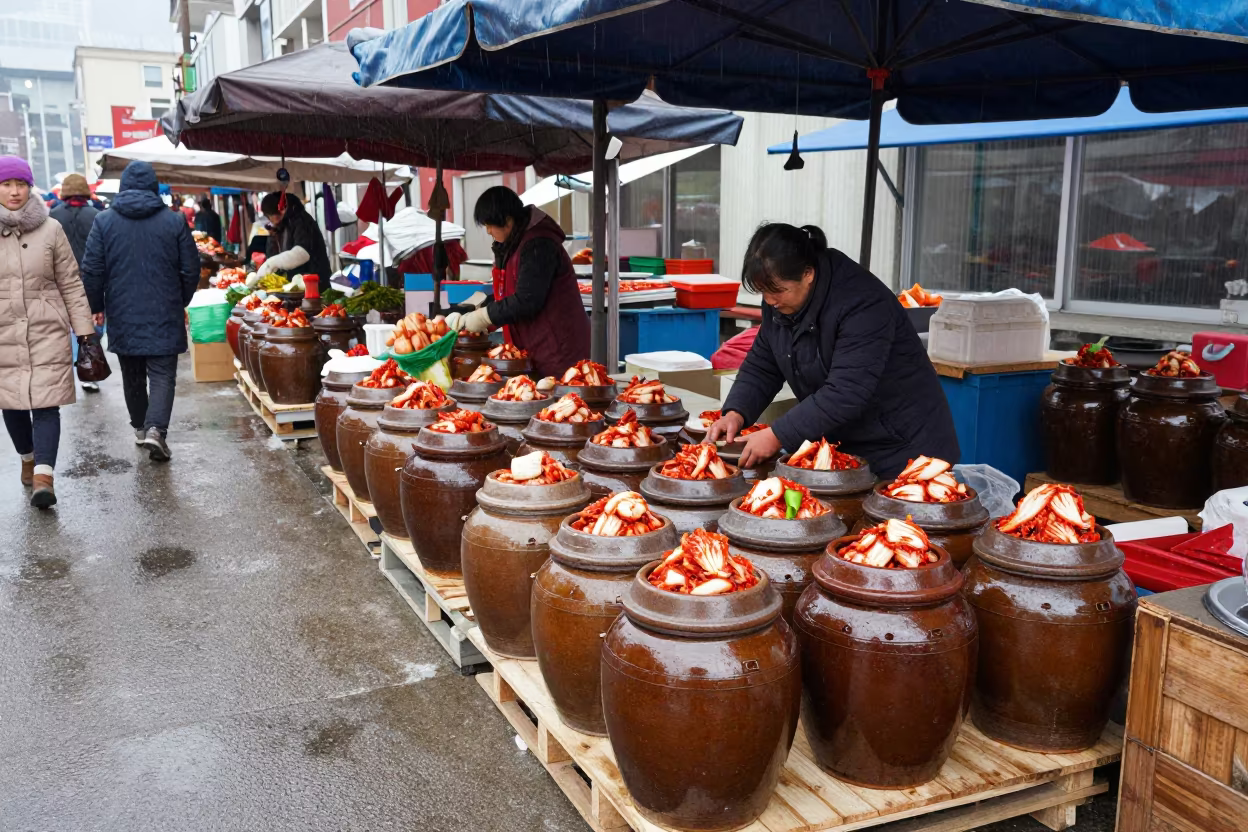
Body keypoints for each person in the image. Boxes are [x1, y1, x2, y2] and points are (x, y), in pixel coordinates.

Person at [707, 223, 959, 478]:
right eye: (764, 292)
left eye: (778, 291)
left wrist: (777, 435)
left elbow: (846, 391)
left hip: (906, 449)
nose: (770, 301)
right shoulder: (780, 301)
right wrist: (735, 413)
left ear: (808, 273)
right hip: (848, 446)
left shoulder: (862, 302)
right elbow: (764, 362)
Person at [80, 161, 198, 462]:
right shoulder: (174, 222)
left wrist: (96, 306)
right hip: (164, 309)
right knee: (162, 374)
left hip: (123, 310)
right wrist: (180, 299)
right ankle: (157, 429)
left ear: (122, 188)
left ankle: (141, 428)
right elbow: (190, 269)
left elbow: (92, 269)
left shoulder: (104, 222)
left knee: (132, 374)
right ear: (154, 187)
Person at [0, 156, 98, 508]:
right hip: (4, 333)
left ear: (30, 187)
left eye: (20, 184)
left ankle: (44, 476)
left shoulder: (51, 228)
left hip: (47, 329)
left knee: (46, 404)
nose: (14, 191)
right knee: (10, 404)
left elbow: (70, 282)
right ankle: (27, 457)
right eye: (7, 184)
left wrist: (84, 330)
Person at [458, 186, 589, 377]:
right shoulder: (511, 246)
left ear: (508, 220)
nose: (488, 231)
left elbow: (527, 299)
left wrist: (485, 317)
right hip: (532, 348)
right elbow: (507, 294)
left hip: (558, 350)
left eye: (490, 225)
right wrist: (482, 316)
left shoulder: (539, 244)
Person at [50, 174, 104, 393]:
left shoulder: (53, 215)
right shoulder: (96, 215)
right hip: (89, 277)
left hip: (60, 279)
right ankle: (88, 371)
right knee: (91, 325)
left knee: (64, 326)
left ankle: (67, 370)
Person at [254, 191, 331, 281]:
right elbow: (273, 253)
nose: (270, 220)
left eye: (270, 215)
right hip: (295, 285)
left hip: (314, 283)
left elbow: (302, 254)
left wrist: (271, 263)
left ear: (282, 208)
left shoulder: (302, 220)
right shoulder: (281, 226)